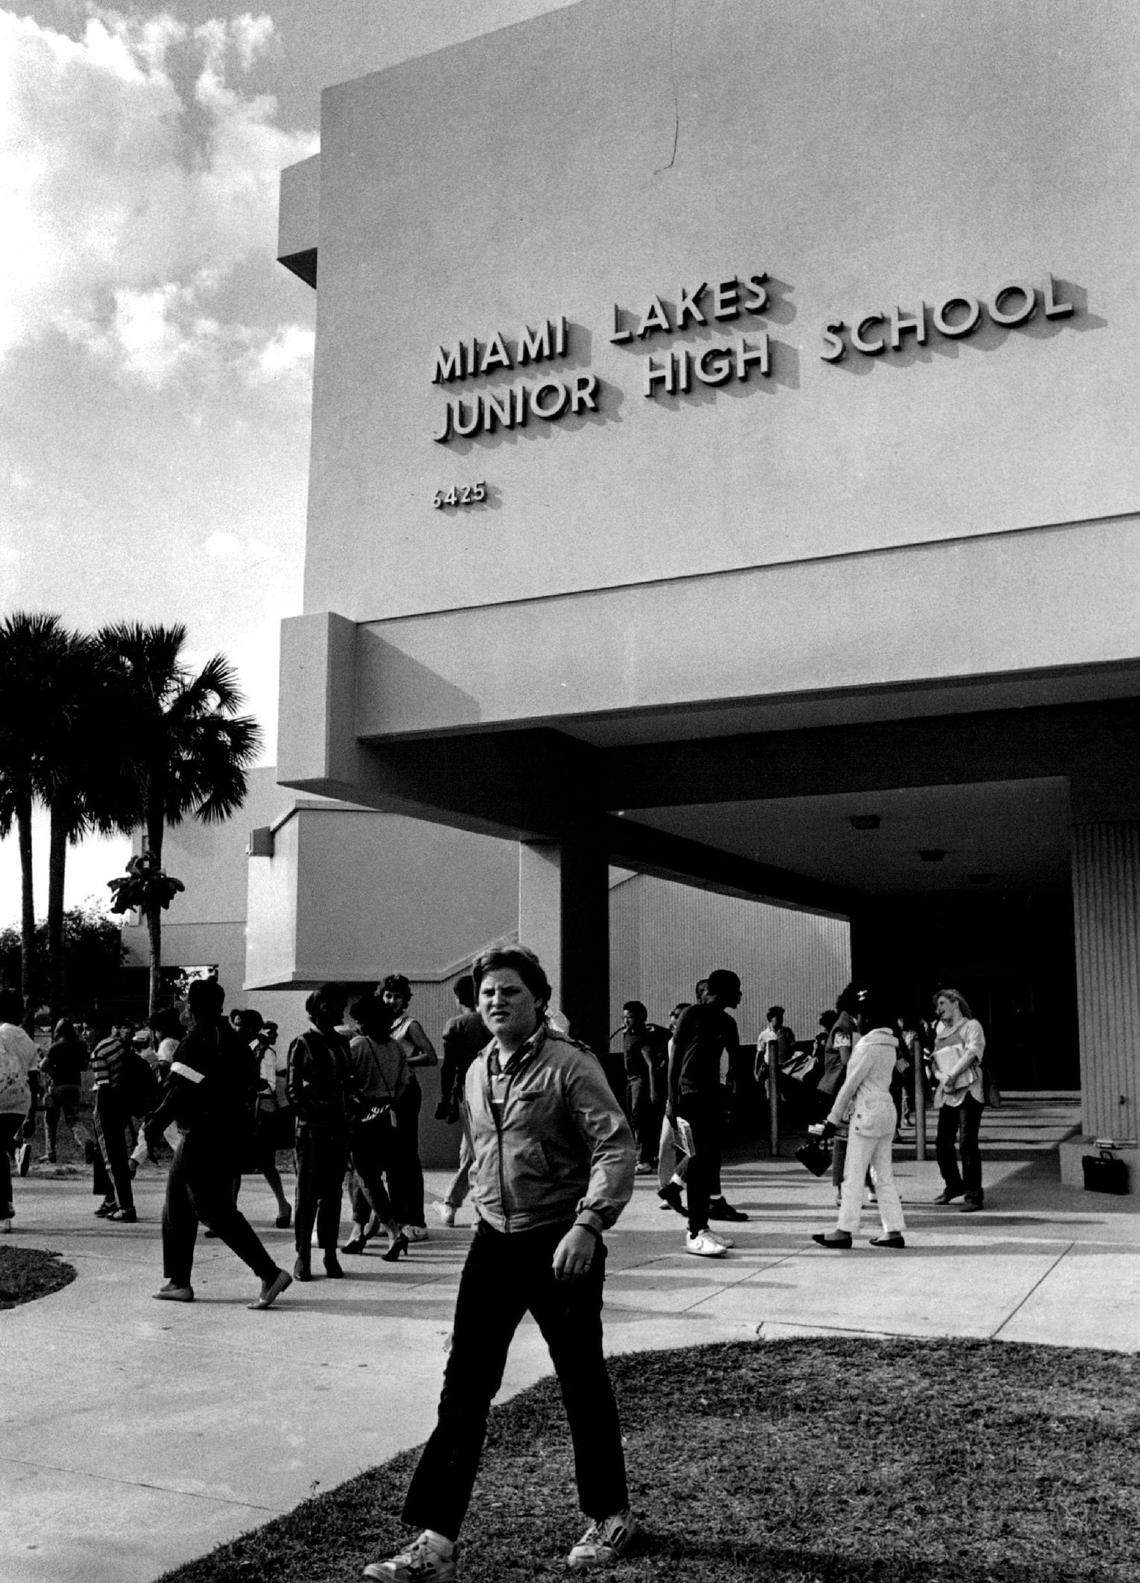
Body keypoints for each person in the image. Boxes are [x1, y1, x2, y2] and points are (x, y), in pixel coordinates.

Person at [366, 944, 637, 1580]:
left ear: (538, 999)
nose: (496, 1002)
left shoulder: (571, 1066)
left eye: (509, 992)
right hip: (494, 1240)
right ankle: (434, 1542)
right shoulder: (476, 1068)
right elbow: (480, 1148)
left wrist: (590, 1224)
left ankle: (610, 1515)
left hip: (562, 1241)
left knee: (580, 1378)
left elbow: (616, 1148)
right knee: (464, 1385)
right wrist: (466, 1202)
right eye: (487, 993)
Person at [139, 977, 292, 1309]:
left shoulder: (195, 1042)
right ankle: (178, 1280)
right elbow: (252, 1084)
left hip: (202, 1135)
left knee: (213, 1210)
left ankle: (268, 1272)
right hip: (231, 1133)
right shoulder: (236, 1041)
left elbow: (178, 1091)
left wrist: (154, 1125)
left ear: (192, 1007)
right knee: (178, 1201)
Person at [811, 986, 907, 1249]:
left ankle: (844, 1230)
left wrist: (832, 1119)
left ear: (869, 1017)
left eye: (860, 1015)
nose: (857, 1020)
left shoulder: (867, 1045)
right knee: (882, 1175)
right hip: (887, 1112)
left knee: (852, 1175)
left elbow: (849, 1085)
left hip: (866, 1113)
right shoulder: (890, 1043)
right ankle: (893, 1230)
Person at [667, 968, 746, 1257]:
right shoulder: (692, 1015)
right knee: (698, 1162)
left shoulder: (727, 1022)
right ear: (720, 990)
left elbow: (735, 1063)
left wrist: (731, 1097)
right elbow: (675, 1057)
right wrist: (671, 1100)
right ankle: (694, 1231)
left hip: (713, 1097)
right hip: (689, 1097)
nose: (740, 994)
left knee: (709, 1161)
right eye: (736, 988)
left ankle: (703, 1225)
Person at [288, 983, 354, 1279]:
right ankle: (303, 1254)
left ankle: (329, 1252)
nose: (340, 1011)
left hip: (338, 1128)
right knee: (307, 1193)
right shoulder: (302, 1043)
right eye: (333, 1006)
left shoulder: (341, 1043)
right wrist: (315, 1114)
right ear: (318, 1010)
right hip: (312, 1131)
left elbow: (349, 1081)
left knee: (332, 1194)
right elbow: (293, 1091)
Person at [340, 993, 408, 1261]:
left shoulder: (357, 1046)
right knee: (365, 1175)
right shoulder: (395, 1047)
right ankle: (358, 1231)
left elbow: (345, 1082)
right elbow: (404, 1084)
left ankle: (393, 1230)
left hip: (361, 1116)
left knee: (365, 1176)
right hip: (387, 1115)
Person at [380, 974, 438, 1242]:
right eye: (388, 995)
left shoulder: (409, 1025)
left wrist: (403, 1059)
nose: (392, 1000)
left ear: (405, 999)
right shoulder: (380, 1025)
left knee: (407, 1156)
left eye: (397, 996)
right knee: (390, 1157)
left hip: (406, 1092)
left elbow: (430, 1055)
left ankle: (415, 1219)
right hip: (385, 1094)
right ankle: (395, 1218)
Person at [434, 975, 487, 1226]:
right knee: (472, 1151)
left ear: (458, 998)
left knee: (476, 1152)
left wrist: (446, 1099)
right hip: (492, 1091)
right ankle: (454, 1203)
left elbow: (449, 1068)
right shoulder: (489, 1021)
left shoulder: (456, 1025)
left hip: (466, 1092)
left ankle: (460, 1205)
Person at [931, 987, 987, 1212]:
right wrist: (942, 1077)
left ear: (955, 1002)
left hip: (968, 1090)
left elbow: (973, 1052)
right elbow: (934, 1060)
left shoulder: (971, 1026)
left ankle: (974, 1195)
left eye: (943, 1004)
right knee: (942, 1143)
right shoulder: (940, 1030)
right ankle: (953, 1185)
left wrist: (953, 1074)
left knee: (967, 1143)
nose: (939, 1010)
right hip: (948, 1091)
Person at [89, 1010, 138, 1223]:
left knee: (111, 1160)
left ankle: (124, 1206)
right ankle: (113, 1201)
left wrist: (99, 1113)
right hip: (122, 1106)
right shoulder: (122, 1048)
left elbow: (104, 1086)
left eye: (87, 1029)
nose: (85, 1033)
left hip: (107, 1107)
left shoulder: (100, 1050)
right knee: (117, 1155)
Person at [814, 984, 861, 1201]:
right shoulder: (843, 1026)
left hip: (841, 1087)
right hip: (839, 1089)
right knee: (842, 1142)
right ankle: (842, 1190)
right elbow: (846, 1058)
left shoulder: (847, 1023)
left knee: (851, 1139)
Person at [0, 989, 40, 1233]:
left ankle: (4, 1211)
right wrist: (32, 1113)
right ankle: (15, 1150)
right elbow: (34, 1076)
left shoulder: (0, 1033)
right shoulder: (25, 1038)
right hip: (20, 1103)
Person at [251, 1017, 293, 1229]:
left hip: (261, 1109)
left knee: (265, 1163)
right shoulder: (253, 1050)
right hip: (253, 1108)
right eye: (269, 1033)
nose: (272, 1037)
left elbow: (267, 1085)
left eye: (273, 1033)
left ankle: (282, 1205)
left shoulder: (266, 1052)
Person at [620, 1000, 669, 1173]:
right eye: (625, 1017)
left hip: (641, 1081)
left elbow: (650, 1064)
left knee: (640, 1120)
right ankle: (641, 1156)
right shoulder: (627, 1034)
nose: (626, 1021)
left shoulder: (645, 1036)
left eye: (631, 1017)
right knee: (633, 1119)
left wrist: (653, 1090)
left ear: (641, 1018)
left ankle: (643, 1159)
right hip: (630, 1080)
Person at [39, 1018, 91, 1164]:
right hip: (75, 1086)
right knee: (73, 1119)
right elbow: (85, 1067)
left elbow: (43, 1066)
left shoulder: (56, 1046)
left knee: (50, 1120)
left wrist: (46, 1062)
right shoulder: (81, 1046)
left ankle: (50, 1152)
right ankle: (87, 1142)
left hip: (57, 1086)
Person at [657, 1001, 691, 1216]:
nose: (673, 1030)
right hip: (674, 1101)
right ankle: (667, 1189)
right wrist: (671, 1101)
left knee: (690, 1150)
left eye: (675, 1026)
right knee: (665, 1146)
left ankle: (679, 1189)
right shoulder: (672, 1043)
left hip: (689, 1102)